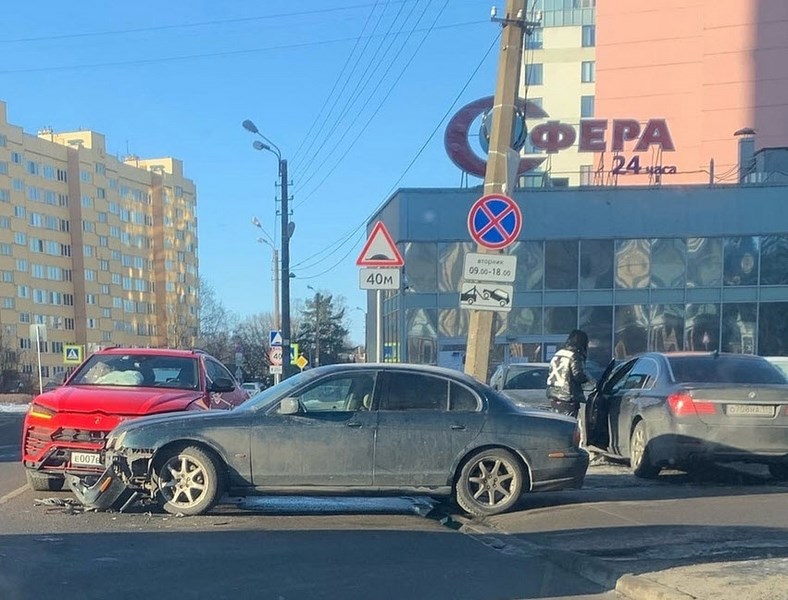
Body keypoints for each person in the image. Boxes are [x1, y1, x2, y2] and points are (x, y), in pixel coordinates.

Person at [546, 329, 595, 418]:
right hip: (568, 396)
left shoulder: (558, 354)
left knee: (558, 421)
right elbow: (578, 375)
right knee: (569, 423)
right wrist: (590, 382)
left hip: (553, 395)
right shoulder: (574, 355)